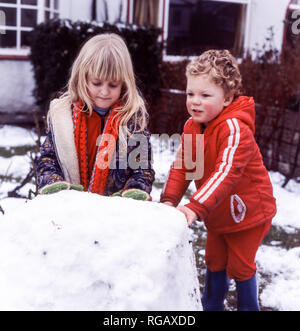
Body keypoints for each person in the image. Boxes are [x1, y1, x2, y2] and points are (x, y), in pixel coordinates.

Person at [160, 49, 276, 311]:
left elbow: (226, 172)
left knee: (240, 264)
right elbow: (184, 166)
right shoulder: (193, 126)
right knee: (214, 259)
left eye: (205, 95)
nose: (195, 102)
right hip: (218, 212)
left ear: (227, 98)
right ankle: (212, 304)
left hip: (249, 212)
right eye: (191, 94)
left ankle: (248, 307)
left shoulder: (235, 129)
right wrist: (169, 200)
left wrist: (195, 206)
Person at [36, 33, 155, 201]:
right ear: (82, 78)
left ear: (124, 83)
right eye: (97, 83)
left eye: (113, 85)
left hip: (116, 210)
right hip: (70, 205)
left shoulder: (132, 121)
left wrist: (134, 190)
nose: (104, 92)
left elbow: (142, 167)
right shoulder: (63, 117)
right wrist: (53, 183)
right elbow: (48, 158)